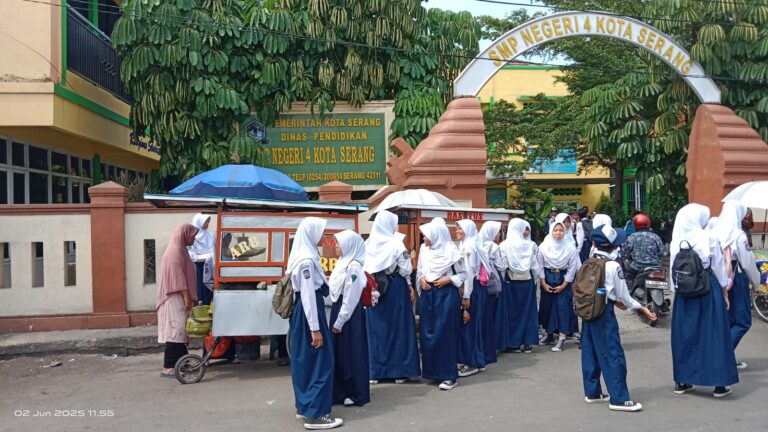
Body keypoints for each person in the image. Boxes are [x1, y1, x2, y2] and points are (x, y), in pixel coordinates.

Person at [580, 224, 657, 412]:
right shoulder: (613, 266)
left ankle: (593, 392)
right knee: (613, 354)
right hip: (604, 313)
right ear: (613, 247)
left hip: (588, 311)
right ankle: (619, 398)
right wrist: (642, 309)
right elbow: (625, 296)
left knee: (590, 352)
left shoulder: (589, 261)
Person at [670, 204, 738, 399]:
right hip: (708, 291)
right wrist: (725, 290)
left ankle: (682, 381)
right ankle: (719, 384)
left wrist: (677, 291)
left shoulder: (676, 241)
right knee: (715, 335)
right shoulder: (708, 238)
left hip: (684, 295)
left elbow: (672, 273)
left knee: (685, 337)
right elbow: (718, 267)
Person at [286, 217, 342, 430]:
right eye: (320, 231)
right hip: (311, 312)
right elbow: (309, 296)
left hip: (304, 312)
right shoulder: (307, 261)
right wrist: (315, 328)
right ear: (310, 233)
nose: (323, 236)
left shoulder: (302, 256)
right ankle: (316, 415)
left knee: (305, 361)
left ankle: (305, 406)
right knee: (321, 361)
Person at [364, 210, 420, 385]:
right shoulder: (396, 244)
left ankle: (375, 371)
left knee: (376, 329)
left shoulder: (367, 244)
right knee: (398, 328)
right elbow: (406, 269)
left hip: (374, 288)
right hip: (395, 288)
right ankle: (399, 371)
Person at [418, 218, 466, 391]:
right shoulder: (425, 250)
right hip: (428, 294)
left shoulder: (452, 252)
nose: (424, 239)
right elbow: (421, 270)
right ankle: (432, 372)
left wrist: (448, 279)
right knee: (428, 332)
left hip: (446, 295)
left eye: (426, 236)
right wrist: (422, 279)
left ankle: (448, 375)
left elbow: (463, 274)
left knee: (445, 334)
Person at [712, 202, 761, 369]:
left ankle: (725, 356)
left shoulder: (714, 232)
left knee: (727, 321)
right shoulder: (738, 235)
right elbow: (747, 263)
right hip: (736, 277)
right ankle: (722, 357)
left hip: (717, 279)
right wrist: (756, 283)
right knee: (742, 321)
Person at [328, 230, 370, 408]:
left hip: (348, 315)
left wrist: (340, 320)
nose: (336, 247)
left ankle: (353, 392)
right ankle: (341, 390)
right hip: (341, 311)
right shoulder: (342, 263)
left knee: (350, 352)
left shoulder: (353, 266)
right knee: (341, 352)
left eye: (339, 243)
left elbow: (351, 297)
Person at [157, 223, 198, 378]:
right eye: (192, 235)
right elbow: (177, 278)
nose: (194, 238)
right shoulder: (174, 252)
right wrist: (187, 296)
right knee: (176, 331)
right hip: (175, 296)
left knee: (181, 332)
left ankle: (182, 363)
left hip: (179, 296)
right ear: (184, 234)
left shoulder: (181, 250)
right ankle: (168, 366)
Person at [537, 213, 580, 351]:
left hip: (563, 278)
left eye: (561, 230)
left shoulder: (570, 247)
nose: (558, 233)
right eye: (555, 230)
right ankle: (549, 333)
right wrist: (543, 282)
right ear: (551, 231)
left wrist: (564, 284)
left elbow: (572, 268)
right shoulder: (544, 246)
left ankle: (562, 338)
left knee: (563, 308)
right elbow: (539, 265)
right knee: (547, 307)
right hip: (548, 277)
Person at [500, 218, 542, 353]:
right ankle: (528, 342)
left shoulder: (504, 245)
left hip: (511, 282)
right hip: (527, 282)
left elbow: (503, 266)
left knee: (512, 313)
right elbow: (535, 267)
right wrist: (535, 282)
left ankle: (514, 343)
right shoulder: (530, 245)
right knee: (528, 312)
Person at [456, 219, 488, 378]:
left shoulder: (469, 247)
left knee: (468, 326)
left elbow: (468, 273)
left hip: (471, 289)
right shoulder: (469, 243)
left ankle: (471, 362)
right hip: (475, 289)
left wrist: (466, 296)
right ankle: (478, 359)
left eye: (460, 229)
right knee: (474, 326)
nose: (457, 231)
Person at [478, 221, 505, 365]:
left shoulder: (478, 244)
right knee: (493, 317)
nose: (498, 235)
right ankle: (491, 346)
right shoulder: (494, 247)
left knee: (482, 317)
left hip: (481, 285)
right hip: (493, 284)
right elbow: (501, 266)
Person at [622, 213, 665, 286]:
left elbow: (625, 251)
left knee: (627, 277)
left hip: (637, 268)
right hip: (655, 267)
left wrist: (628, 257)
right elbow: (662, 252)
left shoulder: (632, 237)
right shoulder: (655, 236)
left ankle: (628, 295)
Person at [189, 213, 215, 305]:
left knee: (209, 289)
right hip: (198, 267)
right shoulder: (192, 236)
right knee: (199, 289)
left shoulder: (210, 235)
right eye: (205, 222)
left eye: (208, 222)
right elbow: (191, 254)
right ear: (199, 222)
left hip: (210, 266)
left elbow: (214, 250)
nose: (207, 224)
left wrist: (210, 256)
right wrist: (205, 256)